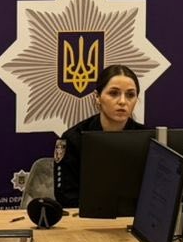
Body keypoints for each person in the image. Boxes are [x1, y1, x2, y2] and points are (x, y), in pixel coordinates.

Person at [53, 64, 147, 207]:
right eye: (114, 93)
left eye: (130, 95)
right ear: (97, 97)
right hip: (86, 216)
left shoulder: (147, 139)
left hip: (133, 217)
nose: (123, 101)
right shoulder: (73, 139)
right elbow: (66, 196)